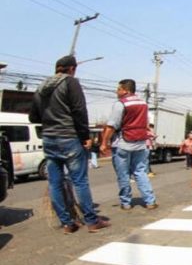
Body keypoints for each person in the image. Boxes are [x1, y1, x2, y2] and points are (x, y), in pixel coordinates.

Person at [29, 55, 110, 234]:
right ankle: (91, 220)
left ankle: (67, 223)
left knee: (55, 183)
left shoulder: (41, 86)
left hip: (49, 139)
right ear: (72, 69)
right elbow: (79, 110)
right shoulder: (71, 83)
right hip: (69, 137)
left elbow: (33, 117)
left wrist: (49, 118)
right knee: (80, 181)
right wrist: (85, 136)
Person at [100, 79, 158, 211]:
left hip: (123, 143)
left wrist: (104, 142)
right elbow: (145, 124)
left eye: (118, 89)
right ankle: (150, 201)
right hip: (141, 143)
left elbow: (111, 126)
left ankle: (126, 202)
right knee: (140, 172)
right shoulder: (143, 103)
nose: (117, 91)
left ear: (126, 90)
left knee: (123, 174)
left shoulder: (121, 104)